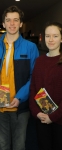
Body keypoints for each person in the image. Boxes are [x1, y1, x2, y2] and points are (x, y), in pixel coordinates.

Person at [0, 5, 39, 150]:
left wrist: (20, 97)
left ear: (21, 23)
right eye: (8, 20)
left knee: (19, 146)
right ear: (3, 23)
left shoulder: (30, 47)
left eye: (16, 20)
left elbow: (34, 77)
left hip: (20, 108)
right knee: (2, 145)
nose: (12, 24)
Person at [29, 22, 62, 150]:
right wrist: (36, 112)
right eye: (48, 36)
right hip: (41, 118)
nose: (51, 39)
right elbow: (33, 89)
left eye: (55, 36)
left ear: (61, 38)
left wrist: (52, 117)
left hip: (60, 121)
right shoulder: (39, 61)